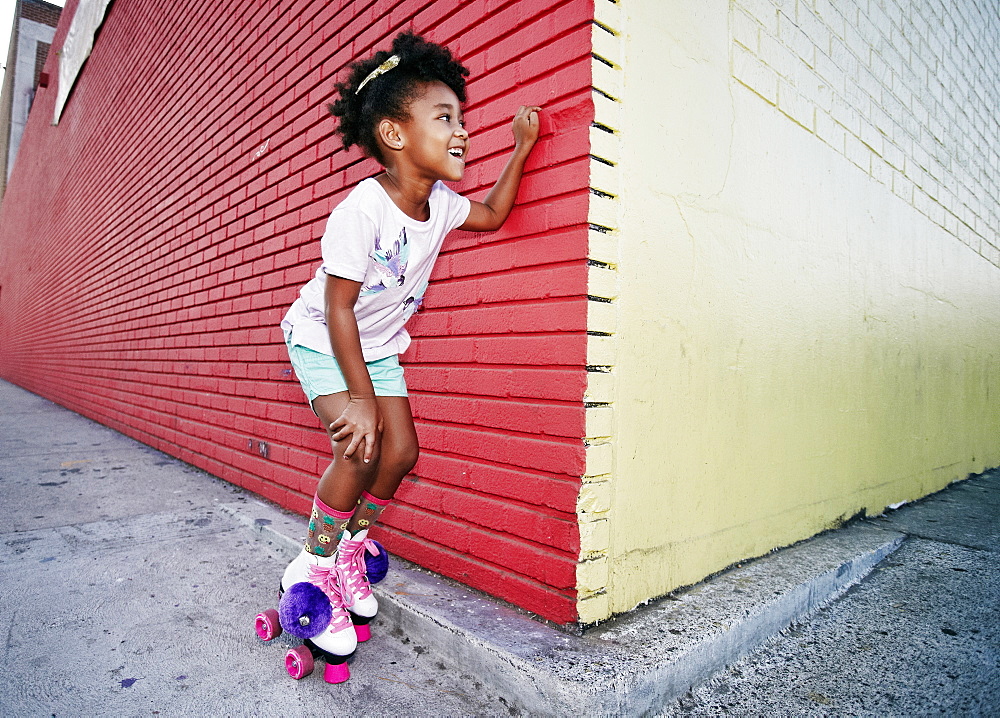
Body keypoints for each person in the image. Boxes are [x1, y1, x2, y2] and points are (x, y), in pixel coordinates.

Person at [277, 30, 541, 682]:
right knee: (359, 447)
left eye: (463, 119)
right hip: (320, 335)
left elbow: (496, 213)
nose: (462, 132)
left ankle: (349, 545)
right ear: (395, 135)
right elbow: (338, 309)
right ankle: (312, 562)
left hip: (379, 346)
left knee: (400, 454)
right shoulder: (361, 211)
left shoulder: (443, 206)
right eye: (445, 118)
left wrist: (522, 148)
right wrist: (361, 400)